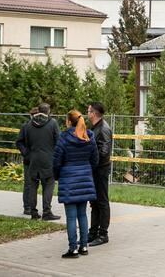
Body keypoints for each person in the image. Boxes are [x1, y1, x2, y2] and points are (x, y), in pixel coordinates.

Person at [53, 110, 99, 258]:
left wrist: (57, 175)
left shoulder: (64, 138)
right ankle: (84, 246)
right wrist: (86, 170)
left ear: (68, 121)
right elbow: (95, 160)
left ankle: (73, 249)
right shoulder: (89, 137)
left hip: (68, 180)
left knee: (71, 217)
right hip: (85, 179)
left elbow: (56, 161)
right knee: (83, 215)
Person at [16, 103, 61, 221]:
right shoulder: (53, 123)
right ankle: (47, 211)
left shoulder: (28, 125)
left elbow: (21, 142)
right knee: (49, 184)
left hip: (32, 159)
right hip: (48, 159)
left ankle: (33, 212)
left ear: (38, 111)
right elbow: (59, 142)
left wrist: (27, 154)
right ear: (49, 111)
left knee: (32, 186)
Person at [87, 101, 112, 246]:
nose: (87, 114)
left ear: (94, 113)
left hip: (100, 170)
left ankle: (103, 234)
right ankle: (93, 232)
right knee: (94, 202)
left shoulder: (103, 128)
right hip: (94, 170)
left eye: (89, 111)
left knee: (102, 201)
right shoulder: (95, 127)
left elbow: (104, 152)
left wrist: (93, 163)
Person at [16, 107, 39, 215]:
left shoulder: (43, 127)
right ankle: (27, 207)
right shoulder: (25, 127)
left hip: (41, 160)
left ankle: (38, 206)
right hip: (29, 160)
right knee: (28, 184)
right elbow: (19, 142)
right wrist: (26, 153)